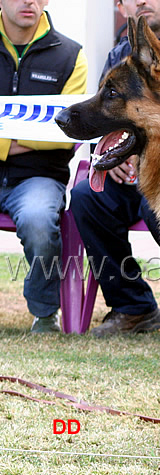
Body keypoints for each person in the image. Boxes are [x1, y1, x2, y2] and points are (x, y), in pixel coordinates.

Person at [70, 0, 160, 338]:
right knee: (86, 198)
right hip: (131, 172)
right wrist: (113, 155)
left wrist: (146, 155)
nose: (141, 2)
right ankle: (132, 307)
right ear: (120, 7)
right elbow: (105, 116)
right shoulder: (119, 54)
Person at [0, 0, 87, 333]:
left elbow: (65, 134)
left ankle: (44, 312)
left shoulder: (70, 55)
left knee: (39, 221)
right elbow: (46, 131)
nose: (28, 2)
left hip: (39, 177)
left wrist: (5, 143)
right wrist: (24, 137)